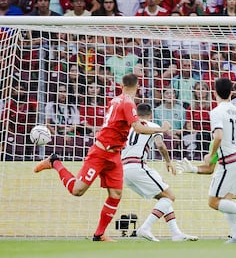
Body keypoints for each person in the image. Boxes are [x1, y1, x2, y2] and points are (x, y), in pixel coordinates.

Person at [34, 73, 171, 242]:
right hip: (100, 153)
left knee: (115, 194)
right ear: (137, 88)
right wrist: (161, 129)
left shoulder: (117, 100)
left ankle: (99, 234)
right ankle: (54, 162)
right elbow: (137, 127)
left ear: (121, 86)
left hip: (114, 156)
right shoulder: (128, 102)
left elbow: (121, 123)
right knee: (77, 190)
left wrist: (137, 124)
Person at [179, 77, 236, 243]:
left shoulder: (216, 112)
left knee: (214, 202)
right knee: (226, 198)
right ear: (232, 93)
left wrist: (210, 154)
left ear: (214, 93)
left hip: (229, 161)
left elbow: (218, 136)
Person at [122, 103, 198, 242]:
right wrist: (168, 161)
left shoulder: (130, 127)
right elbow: (160, 145)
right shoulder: (153, 126)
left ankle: (176, 233)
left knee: (164, 198)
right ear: (151, 115)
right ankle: (145, 228)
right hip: (138, 166)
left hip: (124, 171)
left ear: (136, 115)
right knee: (170, 196)